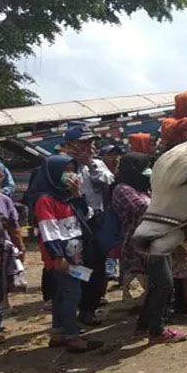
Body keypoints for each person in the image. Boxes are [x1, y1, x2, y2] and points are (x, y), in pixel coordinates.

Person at [111, 152, 187, 343]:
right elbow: (142, 209)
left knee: (159, 286)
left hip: (159, 241)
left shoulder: (142, 188)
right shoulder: (122, 189)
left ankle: (145, 325)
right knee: (163, 285)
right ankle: (157, 330)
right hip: (142, 245)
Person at [33, 155, 103, 352]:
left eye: (72, 169)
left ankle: (58, 332)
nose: (70, 174)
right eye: (65, 170)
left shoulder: (66, 196)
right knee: (72, 293)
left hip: (75, 253)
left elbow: (85, 215)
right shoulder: (45, 200)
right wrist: (58, 256)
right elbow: (49, 230)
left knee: (61, 294)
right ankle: (72, 337)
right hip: (62, 256)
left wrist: (77, 194)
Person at [62, 123, 114, 325]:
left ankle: (89, 307)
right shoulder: (64, 165)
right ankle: (74, 307)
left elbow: (108, 182)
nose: (89, 147)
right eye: (83, 143)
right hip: (74, 222)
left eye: (90, 142)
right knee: (76, 265)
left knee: (98, 265)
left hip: (97, 220)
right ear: (70, 145)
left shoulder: (97, 164)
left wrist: (91, 165)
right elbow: (65, 190)